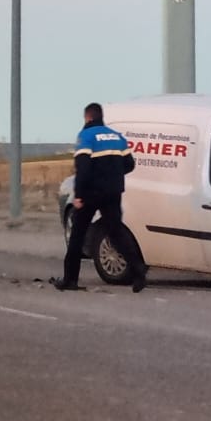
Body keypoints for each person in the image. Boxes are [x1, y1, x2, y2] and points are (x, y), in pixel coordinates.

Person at [51, 103, 147, 293]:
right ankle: (139, 272)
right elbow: (129, 164)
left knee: (77, 235)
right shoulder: (117, 137)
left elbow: (83, 168)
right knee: (116, 232)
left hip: (91, 193)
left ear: (87, 118)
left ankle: (70, 280)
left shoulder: (85, 136)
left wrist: (79, 195)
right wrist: (112, 175)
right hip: (113, 192)